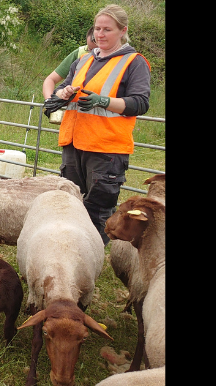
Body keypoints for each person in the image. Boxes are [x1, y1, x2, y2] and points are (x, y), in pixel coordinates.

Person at [46, 4, 151, 245]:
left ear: (122, 31)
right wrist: (63, 93)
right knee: (71, 202)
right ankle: (69, 249)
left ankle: (92, 259)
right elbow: (62, 88)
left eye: (107, 29)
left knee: (98, 209)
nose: (100, 35)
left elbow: (140, 103)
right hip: (73, 143)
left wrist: (104, 101)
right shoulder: (83, 60)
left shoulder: (134, 62)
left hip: (106, 149)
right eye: (97, 29)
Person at [42, 27, 97, 100]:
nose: (92, 53)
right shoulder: (79, 54)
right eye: (89, 49)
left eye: (97, 50)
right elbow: (50, 79)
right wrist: (49, 101)